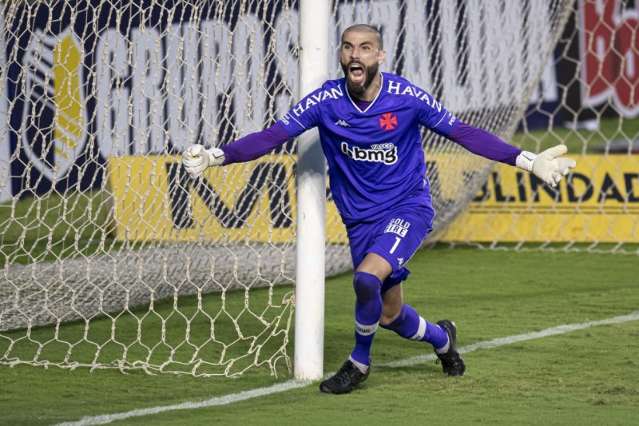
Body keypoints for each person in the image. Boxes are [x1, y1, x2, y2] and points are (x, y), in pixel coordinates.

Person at [182, 24, 576, 394]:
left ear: (380, 56)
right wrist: (218, 156)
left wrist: (527, 160)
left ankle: (359, 363)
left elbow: (463, 132)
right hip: (359, 220)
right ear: (341, 54)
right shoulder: (325, 102)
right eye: (349, 47)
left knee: (367, 278)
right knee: (390, 316)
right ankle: (443, 339)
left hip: (408, 207)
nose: (356, 55)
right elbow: (273, 136)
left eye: (365, 48)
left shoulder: (406, 98)